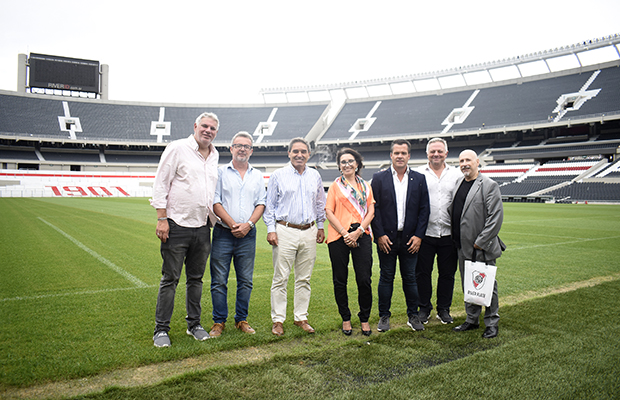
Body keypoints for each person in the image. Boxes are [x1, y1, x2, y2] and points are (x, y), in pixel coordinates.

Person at [150, 112, 220, 347]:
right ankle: (161, 330)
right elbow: (161, 182)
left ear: (216, 133)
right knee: (170, 278)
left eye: (212, 128)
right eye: (205, 126)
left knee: (196, 279)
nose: (208, 131)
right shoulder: (178, 148)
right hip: (177, 225)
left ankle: (194, 325)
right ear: (195, 127)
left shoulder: (214, 154)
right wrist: (162, 218)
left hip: (202, 227)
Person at [264, 137, 326, 336]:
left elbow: (319, 204)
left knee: (304, 278)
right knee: (280, 277)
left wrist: (321, 226)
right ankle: (278, 320)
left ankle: (301, 317)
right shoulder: (278, 175)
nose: (299, 155)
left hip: (309, 230)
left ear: (308, 154)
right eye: (295, 151)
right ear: (289, 153)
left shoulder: (315, 175)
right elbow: (270, 206)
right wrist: (271, 230)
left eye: (303, 151)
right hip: (285, 230)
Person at [209, 132, 266, 338]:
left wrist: (248, 224)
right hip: (224, 233)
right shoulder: (220, 172)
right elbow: (215, 202)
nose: (242, 149)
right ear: (231, 149)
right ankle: (218, 321)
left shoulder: (257, 175)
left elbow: (261, 203)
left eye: (246, 146)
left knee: (246, 281)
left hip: (248, 235)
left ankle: (241, 319)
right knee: (219, 281)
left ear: (251, 151)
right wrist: (234, 225)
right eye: (238, 145)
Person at [371, 139, 430, 332]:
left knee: (410, 278)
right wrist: (379, 235)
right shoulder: (379, 178)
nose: (400, 156)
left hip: (410, 239)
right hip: (386, 239)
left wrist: (419, 236)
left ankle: (413, 315)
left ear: (409, 156)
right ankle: (384, 316)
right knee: (386, 277)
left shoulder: (419, 179)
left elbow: (424, 210)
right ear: (391, 155)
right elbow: (374, 209)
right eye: (396, 153)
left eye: (403, 153)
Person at [450, 149, 505, 339]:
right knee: (469, 284)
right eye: (461, 160)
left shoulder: (489, 185)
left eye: (468, 160)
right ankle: (472, 319)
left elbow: (495, 218)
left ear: (477, 162)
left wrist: (481, 242)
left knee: (488, 285)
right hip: (462, 246)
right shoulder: (458, 183)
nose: (464, 163)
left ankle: (492, 322)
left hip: (480, 247)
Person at [325, 148, 375, 336]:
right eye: (343, 162)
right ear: (339, 166)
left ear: (357, 164)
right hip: (339, 236)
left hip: (361, 234)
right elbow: (329, 212)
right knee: (340, 279)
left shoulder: (366, 186)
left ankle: (364, 318)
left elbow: (371, 211)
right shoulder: (335, 186)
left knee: (364, 279)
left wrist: (359, 231)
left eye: (350, 161)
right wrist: (346, 233)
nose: (347, 164)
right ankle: (345, 318)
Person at [415, 138, 462, 325]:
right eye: (433, 151)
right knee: (423, 273)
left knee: (447, 274)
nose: (436, 154)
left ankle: (444, 309)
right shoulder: (418, 173)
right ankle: (424, 308)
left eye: (439, 151)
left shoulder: (457, 174)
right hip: (425, 233)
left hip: (449, 234)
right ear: (427, 154)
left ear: (446, 153)